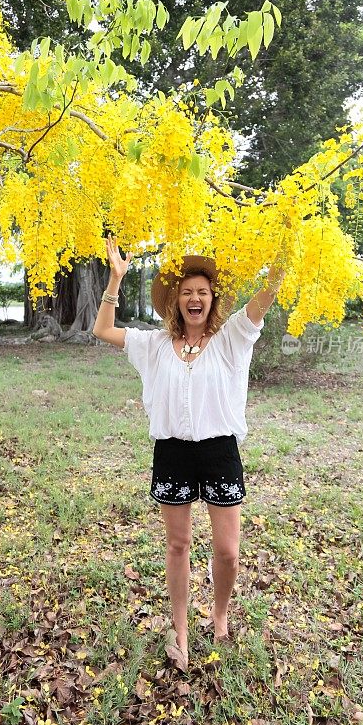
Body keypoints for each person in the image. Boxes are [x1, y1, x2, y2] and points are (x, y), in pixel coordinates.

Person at [93, 234, 286, 670]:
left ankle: (219, 615)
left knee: (228, 551)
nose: (194, 298)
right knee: (178, 545)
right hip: (172, 452)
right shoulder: (156, 345)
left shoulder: (233, 337)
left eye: (202, 291)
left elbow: (267, 295)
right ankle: (179, 628)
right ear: (176, 301)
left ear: (211, 298)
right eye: (186, 292)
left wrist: (283, 251)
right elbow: (103, 329)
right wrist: (115, 278)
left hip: (220, 452)